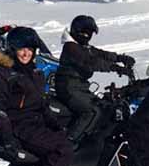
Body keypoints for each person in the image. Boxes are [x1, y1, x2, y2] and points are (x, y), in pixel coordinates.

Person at [0, 27, 73, 166]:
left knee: (70, 140)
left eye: (30, 49)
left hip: (36, 124)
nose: (26, 53)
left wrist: (57, 125)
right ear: (12, 49)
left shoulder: (35, 73)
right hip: (20, 127)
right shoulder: (2, 74)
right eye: (21, 49)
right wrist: (8, 139)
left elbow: (42, 105)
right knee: (62, 149)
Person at [55, 15, 136, 143]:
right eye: (86, 32)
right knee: (91, 111)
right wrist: (116, 68)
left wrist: (120, 58)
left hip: (78, 86)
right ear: (77, 31)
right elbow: (91, 62)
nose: (88, 35)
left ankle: (91, 140)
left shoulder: (82, 46)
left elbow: (100, 54)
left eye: (90, 33)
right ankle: (69, 143)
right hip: (68, 87)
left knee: (103, 106)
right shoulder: (71, 47)